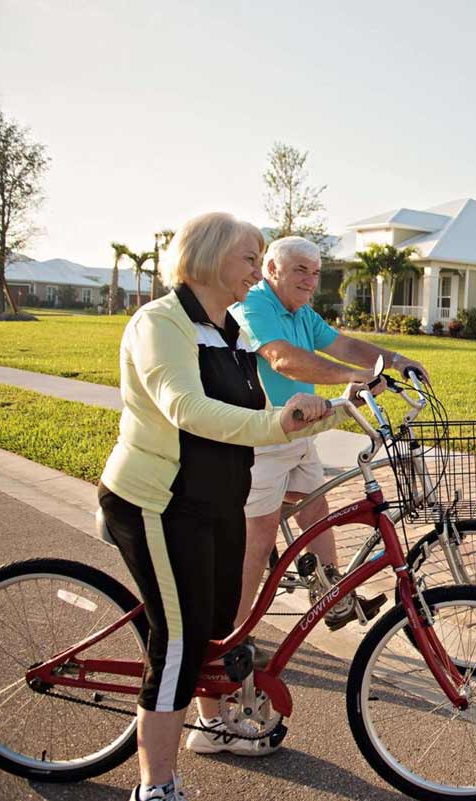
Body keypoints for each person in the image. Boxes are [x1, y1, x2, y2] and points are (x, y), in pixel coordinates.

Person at [97, 213, 349, 801]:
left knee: (219, 626)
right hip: (157, 501)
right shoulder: (161, 322)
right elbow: (187, 408)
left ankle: (210, 726)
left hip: (216, 500)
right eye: (248, 257)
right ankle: (156, 785)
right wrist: (275, 421)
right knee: (181, 638)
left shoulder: (231, 330)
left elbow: (266, 404)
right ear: (210, 257)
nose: (255, 270)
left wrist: (337, 404)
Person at [228, 236, 426, 639]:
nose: (310, 281)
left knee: (315, 509)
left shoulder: (300, 311)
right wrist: (354, 377)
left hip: (300, 430)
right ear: (271, 270)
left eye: (315, 273)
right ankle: (231, 636)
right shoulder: (254, 305)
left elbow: (345, 344)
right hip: (263, 435)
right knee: (261, 535)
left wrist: (396, 361)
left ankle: (332, 600)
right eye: (300, 270)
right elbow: (282, 358)